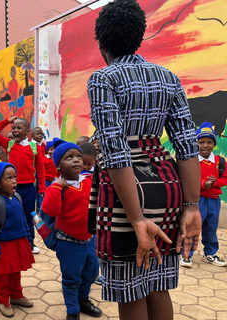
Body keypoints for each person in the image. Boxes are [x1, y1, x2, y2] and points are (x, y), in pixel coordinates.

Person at [87, 1, 201, 319]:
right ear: (139, 38)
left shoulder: (103, 79)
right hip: (167, 185)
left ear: (101, 43)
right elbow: (187, 145)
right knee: (156, 280)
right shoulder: (168, 77)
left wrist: (137, 220)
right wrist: (192, 205)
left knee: (130, 284)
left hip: (127, 194)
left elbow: (114, 149)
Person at [42, 139, 102, 320]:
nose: (76, 160)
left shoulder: (90, 180)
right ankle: (73, 310)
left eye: (78, 156)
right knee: (71, 278)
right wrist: (57, 186)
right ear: (58, 166)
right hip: (68, 243)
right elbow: (50, 210)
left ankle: (83, 299)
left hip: (90, 240)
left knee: (91, 272)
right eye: (69, 157)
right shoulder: (56, 187)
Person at [0, 162, 35, 317]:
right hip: (3, 246)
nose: (14, 181)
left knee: (15, 273)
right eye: (9, 178)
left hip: (19, 243)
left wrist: (28, 238)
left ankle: (16, 296)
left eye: (15, 177)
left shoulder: (17, 198)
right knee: (2, 276)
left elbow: (23, 220)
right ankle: (3, 300)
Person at [0, 116, 46, 254]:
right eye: (13, 127)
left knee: (29, 215)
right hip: (10, 188)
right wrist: (7, 121)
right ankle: (11, 240)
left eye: (18, 128)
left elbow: (40, 168)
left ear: (27, 131)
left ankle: (30, 242)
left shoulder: (34, 147)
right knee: (12, 213)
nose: (15, 130)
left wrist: (42, 187)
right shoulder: (9, 144)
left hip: (28, 188)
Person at [181, 122, 227, 268]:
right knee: (192, 227)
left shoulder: (220, 162)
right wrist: (202, 184)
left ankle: (210, 253)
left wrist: (214, 182)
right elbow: (187, 178)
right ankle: (186, 254)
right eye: (201, 142)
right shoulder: (192, 161)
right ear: (196, 143)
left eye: (209, 142)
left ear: (214, 144)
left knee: (211, 228)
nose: (205, 145)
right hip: (196, 200)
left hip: (213, 201)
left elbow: (224, 179)